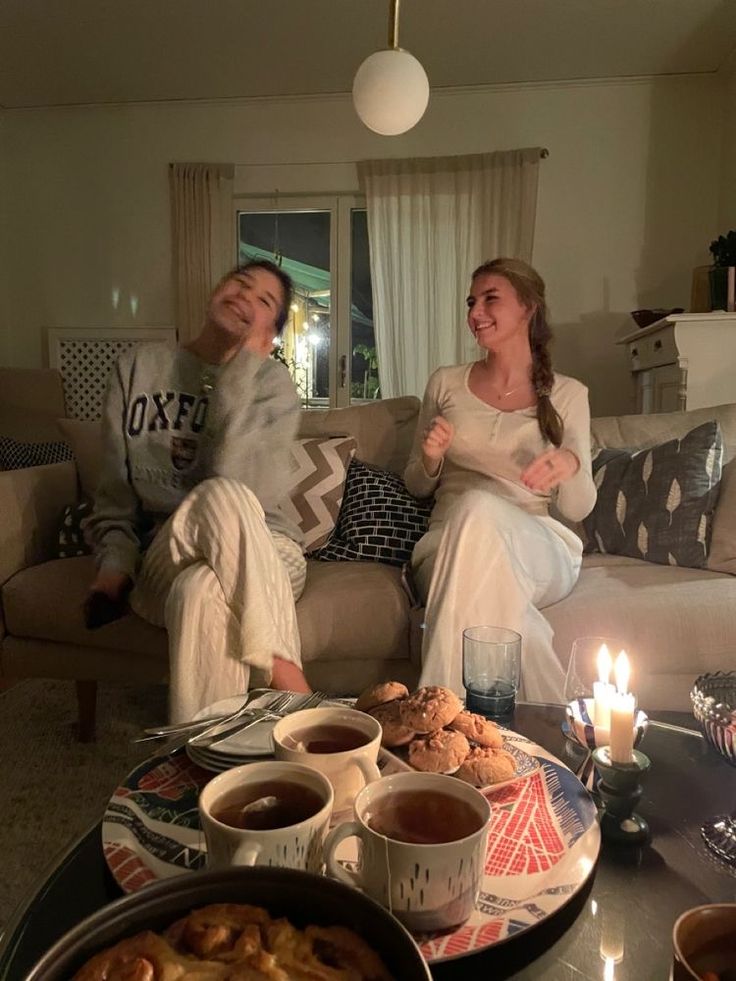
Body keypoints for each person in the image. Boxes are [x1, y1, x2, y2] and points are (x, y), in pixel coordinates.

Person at [83, 259, 311, 721]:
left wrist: (243, 369)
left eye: (264, 300)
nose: (245, 296)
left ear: (273, 331)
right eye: (239, 283)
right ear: (216, 290)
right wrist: (115, 564)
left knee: (200, 591)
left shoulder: (272, 386)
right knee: (208, 523)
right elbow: (113, 492)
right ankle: (293, 692)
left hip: (269, 548)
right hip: (169, 549)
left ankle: (204, 768)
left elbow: (238, 483)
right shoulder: (137, 368)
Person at [404, 257, 597, 703]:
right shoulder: (445, 383)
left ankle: (437, 710)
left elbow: (577, 509)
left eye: (491, 299)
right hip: (447, 542)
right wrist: (431, 458)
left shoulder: (569, 394)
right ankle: (554, 721)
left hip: (538, 544)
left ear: (528, 307)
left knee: (479, 507)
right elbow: (416, 484)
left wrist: (570, 466)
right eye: (472, 301)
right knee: (473, 512)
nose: (475, 312)